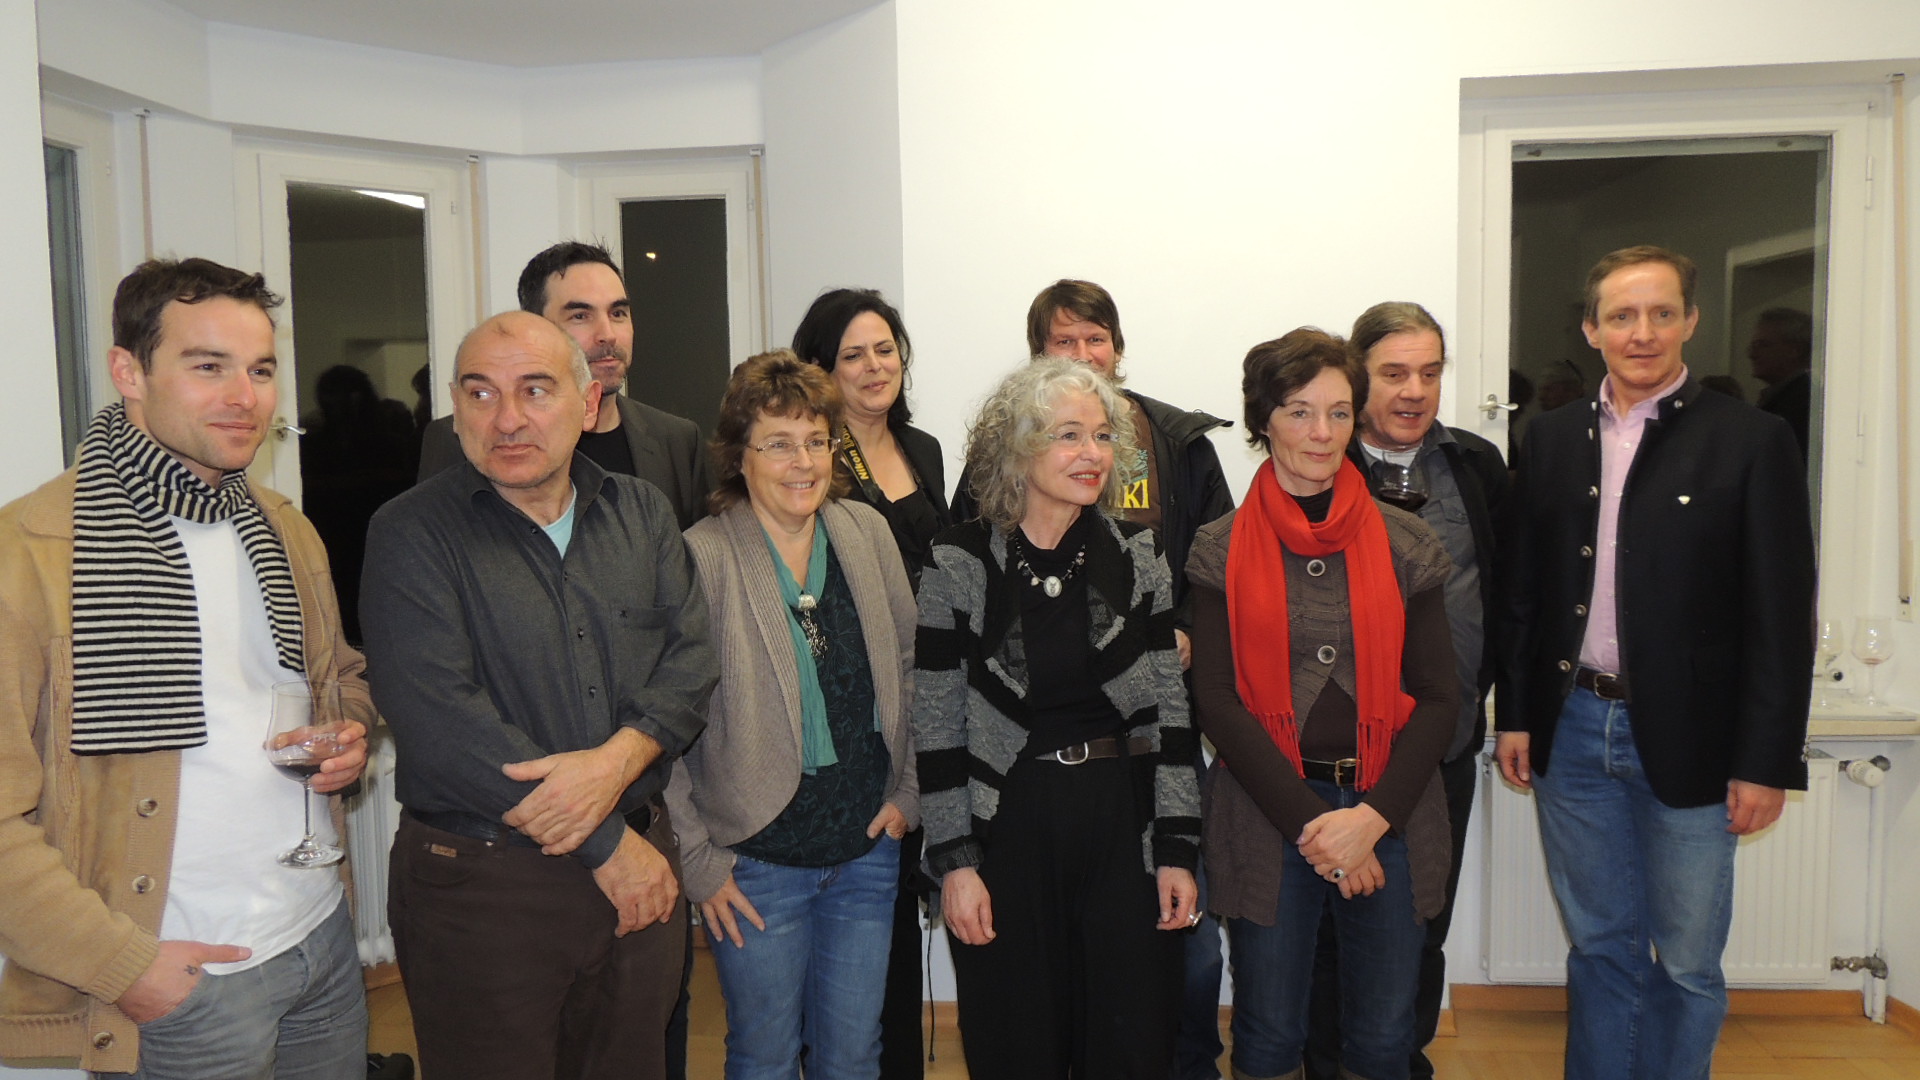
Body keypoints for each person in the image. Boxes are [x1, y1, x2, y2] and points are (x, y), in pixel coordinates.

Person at [0, 258, 372, 1076]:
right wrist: (123, 969)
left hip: (318, 939)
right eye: (209, 367)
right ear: (128, 371)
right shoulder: (28, 552)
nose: (245, 396)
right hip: (180, 980)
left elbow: (341, 680)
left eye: (261, 370)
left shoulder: (283, 527)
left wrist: (347, 736)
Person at [360, 311, 716, 1080]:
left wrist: (617, 762)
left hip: (640, 877)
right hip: (486, 886)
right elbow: (440, 723)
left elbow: (691, 661)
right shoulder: (409, 533)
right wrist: (606, 845)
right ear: (455, 408)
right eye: (481, 393)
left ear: (588, 405)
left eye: (535, 390)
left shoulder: (642, 513)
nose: (507, 419)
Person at [1497, 246, 1814, 1080]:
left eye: (1662, 313)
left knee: (1687, 961)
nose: (1643, 333)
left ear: (1690, 322)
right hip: (1573, 733)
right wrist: (1518, 714)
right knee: (1600, 948)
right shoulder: (1551, 438)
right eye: (1623, 316)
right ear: (1591, 328)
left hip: (1699, 739)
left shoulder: (1753, 439)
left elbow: (1782, 617)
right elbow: (1524, 593)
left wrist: (1766, 760)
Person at [948, 277, 1233, 1077]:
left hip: (1122, 814)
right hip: (1012, 818)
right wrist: (956, 862)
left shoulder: (1140, 550)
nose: (1091, 453)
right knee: (1022, 1035)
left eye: (1102, 437)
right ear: (1020, 445)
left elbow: (1171, 713)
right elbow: (939, 720)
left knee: (1133, 1031)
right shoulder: (960, 559)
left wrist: (1175, 848)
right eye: (1068, 435)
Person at [1188, 328, 1458, 1080]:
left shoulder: (1407, 543)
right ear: (1264, 420)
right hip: (1268, 811)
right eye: (1300, 412)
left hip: (1392, 812)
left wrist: (1370, 822)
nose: (1321, 433)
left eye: (1339, 413)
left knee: (1384, 1039)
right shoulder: (1219, 546)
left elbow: (1440, 699)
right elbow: (1216, 702)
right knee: (1270, 1033)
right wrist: (1317, 828)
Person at [666, 350, 918, 1079]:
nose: (802, 462)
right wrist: (697, 861)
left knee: (854, 1056)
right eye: (778, 443)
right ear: (738, 457)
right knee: (765, 1056)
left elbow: (912, 669)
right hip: (755, 864)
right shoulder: (701, 558)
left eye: (816, 441)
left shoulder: (866, 533)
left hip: (867, 848)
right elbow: (661, 724)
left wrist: (909, 792)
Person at [1304, 303, 1506, 1080]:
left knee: (1425, 921)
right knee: (1332, 931)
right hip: (1341, 757)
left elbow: (1511, 593)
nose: (1414, 391)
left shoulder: (1476, 465)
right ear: (1358, 379)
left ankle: (1401, 1064)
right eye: (1393, 373)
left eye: (1429, 372)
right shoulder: (1319, 464)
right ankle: (1328, 1066)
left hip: (1443, 745)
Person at [790, 287, 949, 1078]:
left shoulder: (924, 449)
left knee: (898, 907)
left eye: (885, 349)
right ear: (821, 371)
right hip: (857, 707)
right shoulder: (813, 461)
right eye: (852, 355)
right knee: (856, 921)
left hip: (925, 693)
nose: (874, 366)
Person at [418, 241, 709, 529]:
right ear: (535, 327)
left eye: (618, 313)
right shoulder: (462, 439)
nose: (607, 334)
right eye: (580, 316)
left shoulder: (677, 440)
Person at [1747, 306, 1814, 458]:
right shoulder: (1786, 398)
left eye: (1763, 345)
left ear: (1794, 351)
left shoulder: (1802, 404)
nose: (1752, 354)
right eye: (1753, 346)